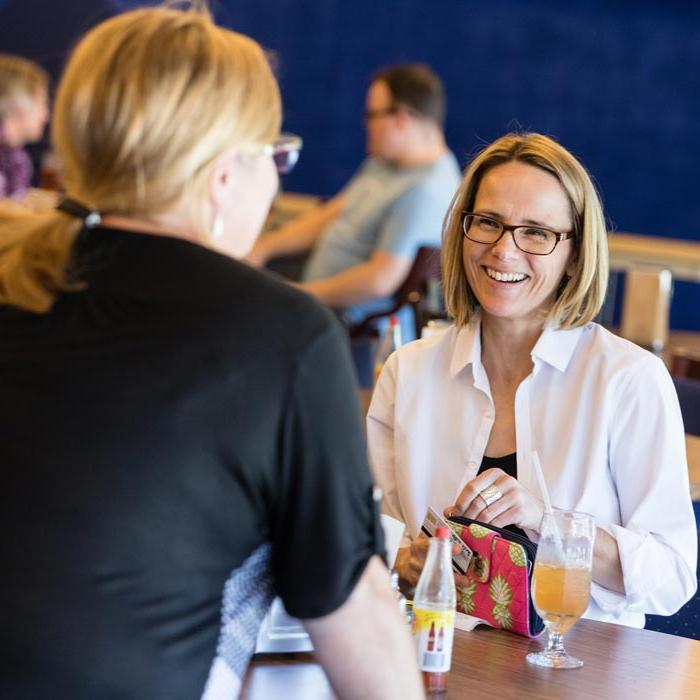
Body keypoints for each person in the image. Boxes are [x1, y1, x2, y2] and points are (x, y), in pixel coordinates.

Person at [0, 6, 422, 699]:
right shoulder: (281, 335)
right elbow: (359, 617)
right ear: (224, 175)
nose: (277, 182)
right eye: (276, 157)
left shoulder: (21, 266)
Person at [368, 132, 697, 628]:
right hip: (439, 655)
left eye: (537, 233)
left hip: (582, 670)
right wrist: (404, 560)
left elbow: (672, 577)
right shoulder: (408, 371)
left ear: (574, 254)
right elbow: (372, 535)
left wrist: (550, 525)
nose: (504, 250)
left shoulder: (627, 380)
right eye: (488, 223)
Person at [246, 63, 462, 329]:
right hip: (317, 302)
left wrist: (300, 296)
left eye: (372, 115)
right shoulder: (383, 162)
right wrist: (265, 246)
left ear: (401, 120)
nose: (365, 124)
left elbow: (380, 280)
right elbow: (331, 214)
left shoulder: (427, 191)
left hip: (349, 325)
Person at [0, 53, 49, 200]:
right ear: (20, 104)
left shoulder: (13, 156)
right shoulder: (11, 159)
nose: (46, 116)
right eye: (43, 103)